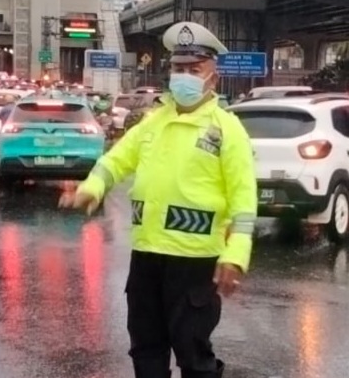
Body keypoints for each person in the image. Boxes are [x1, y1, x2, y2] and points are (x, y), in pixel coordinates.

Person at [59, 21, 257, 378]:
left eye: (194, 69)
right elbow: (116, 160)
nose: (184, 77)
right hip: (147, 255)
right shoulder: (153, 123)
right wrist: (93, 187)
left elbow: (244, 197)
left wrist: (236, 255)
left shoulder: (228, 130)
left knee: (193, 355)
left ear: (213, 77)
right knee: (146, 350)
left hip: (195, 262)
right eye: (179, 68)